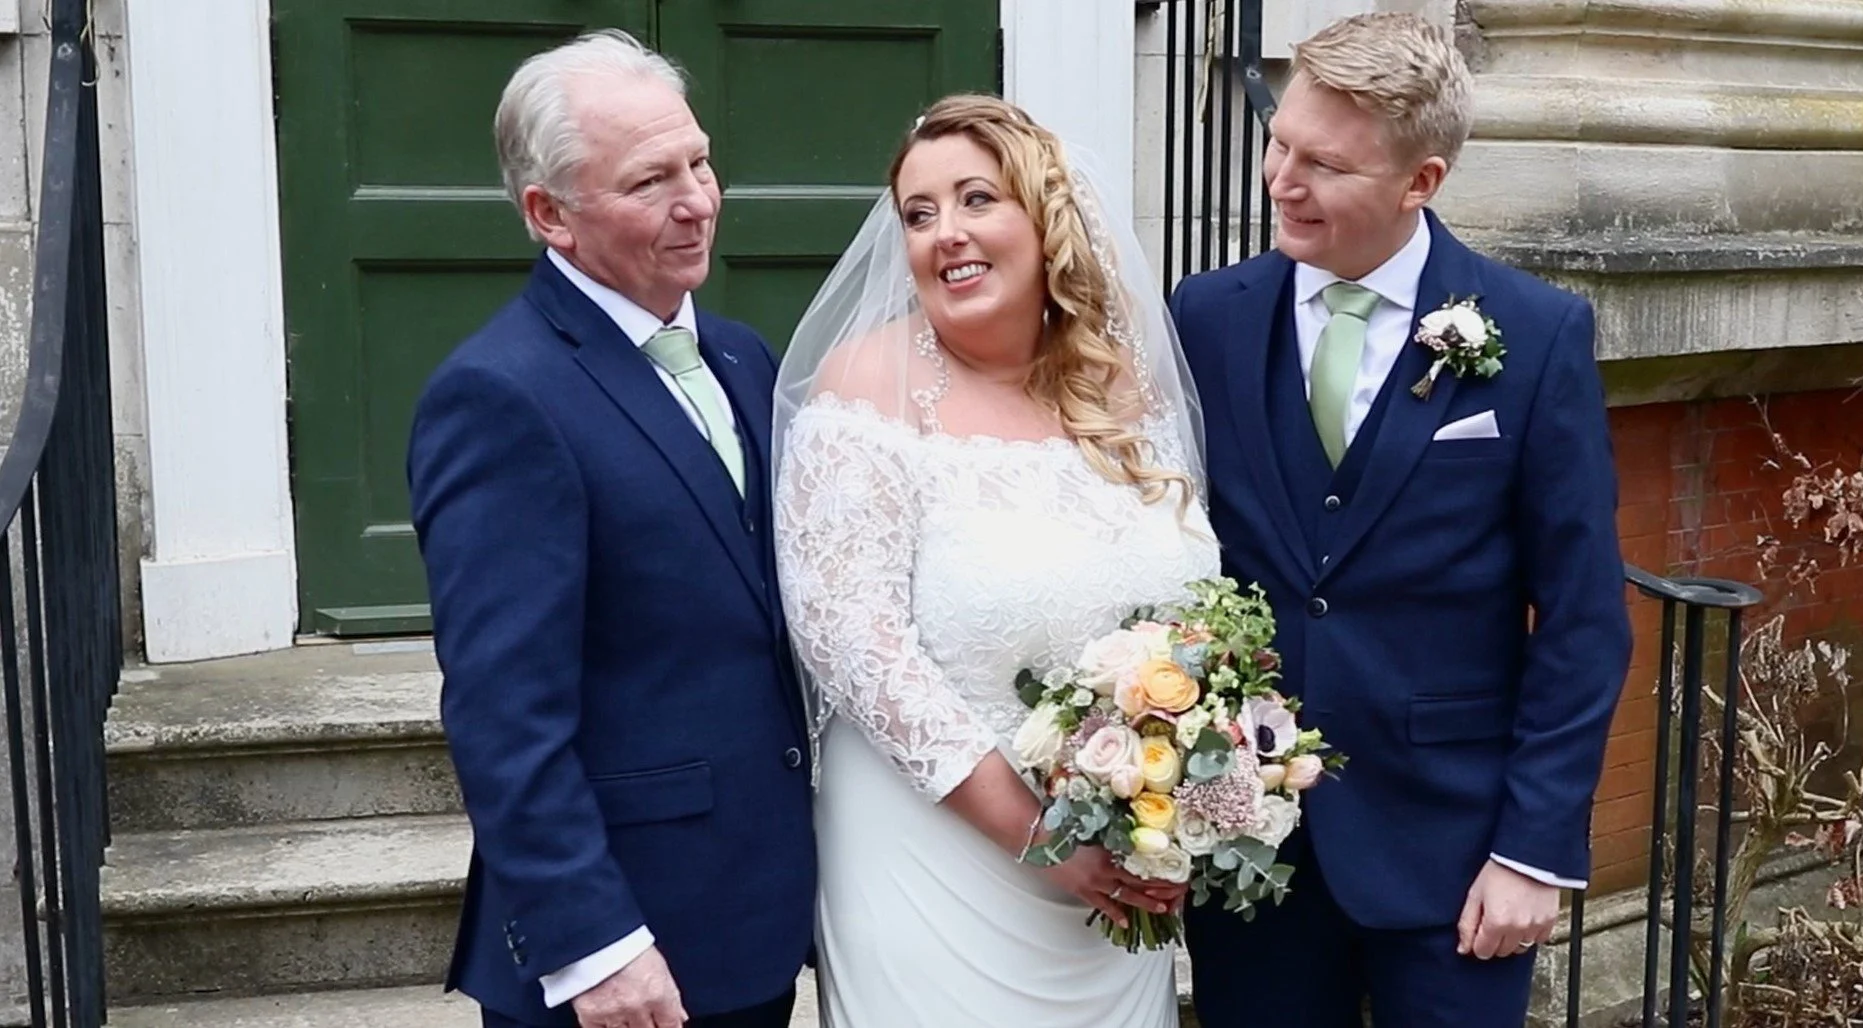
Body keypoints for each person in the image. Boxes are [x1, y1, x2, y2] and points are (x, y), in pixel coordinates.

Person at [1171, 14, 1635, 1028]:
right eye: (1277, 141)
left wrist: (1532, 849)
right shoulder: (1202, 317)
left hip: (1457, 853)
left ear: (1421, 181)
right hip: (1253, 850)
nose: (1280, 181)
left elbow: (1583, 614)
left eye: (1324, 165)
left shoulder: (1536, 335)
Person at [407, 30, 814, 1028]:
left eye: (700, 161)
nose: (698, 200)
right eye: (650, 181)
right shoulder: (499, 396)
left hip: (747, 922)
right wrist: (594, 943)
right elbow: (504, 714)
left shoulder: (740, 355)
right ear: (551, 214)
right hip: (625, 960)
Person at [771, 95, 1203, 1027]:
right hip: (934, 853)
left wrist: (1178, 783)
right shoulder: (868, 386)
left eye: (976, 200)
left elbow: (1196, 614)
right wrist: (1043, 834)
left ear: (1044, 219)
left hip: (1115, 860)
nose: (945, 235)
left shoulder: (1119, 378)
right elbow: (853, 641)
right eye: (919, 215)